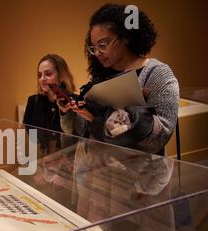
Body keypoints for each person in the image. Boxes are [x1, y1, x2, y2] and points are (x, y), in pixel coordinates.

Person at [59, 3, 179, 155]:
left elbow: (158, 140)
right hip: (96, 172)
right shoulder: (98, 77)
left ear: (126, 37)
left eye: (103, 44)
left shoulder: (157, 75)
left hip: (139, 175)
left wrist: (100, 120)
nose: (97, 53)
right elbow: (80, 132)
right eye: (93, 47)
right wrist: (70, 111)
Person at [23, 54, 76, 152]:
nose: (42, 79)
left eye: (48, 74)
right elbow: (31, 138)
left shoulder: (73, 102)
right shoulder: (33, 101)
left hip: (67, 161)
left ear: (61, 76)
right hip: (41, 159)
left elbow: (75, 138)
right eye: (39, 75)